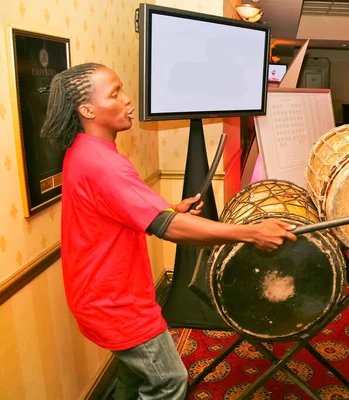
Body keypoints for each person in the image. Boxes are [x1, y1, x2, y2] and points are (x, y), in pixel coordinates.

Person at [40, 63, 297, 399]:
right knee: (169, 381)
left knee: (134, 380)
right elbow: (169, 229)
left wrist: (171, 210)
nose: (128, 100)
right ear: (87, 110)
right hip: (115, 304)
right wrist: (250, 232)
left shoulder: (85, 151)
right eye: (115, 94)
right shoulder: (104, 164)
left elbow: (114, 212)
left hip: (100, 295)